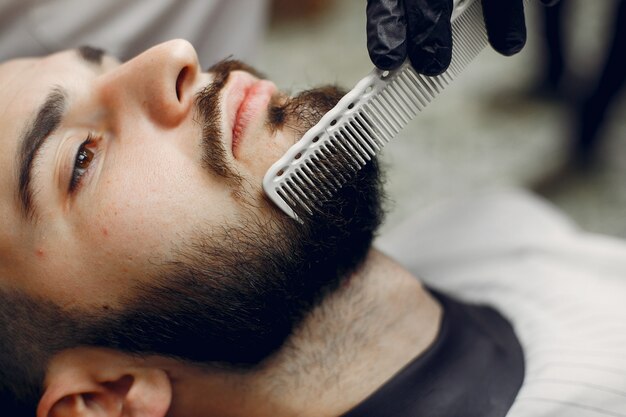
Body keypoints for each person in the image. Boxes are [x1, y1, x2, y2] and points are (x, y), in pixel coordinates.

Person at [1, 38, 626, 417]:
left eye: (108, 60)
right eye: (81, 158)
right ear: (106, 397)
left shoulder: (487, 225)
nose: (172, 56)